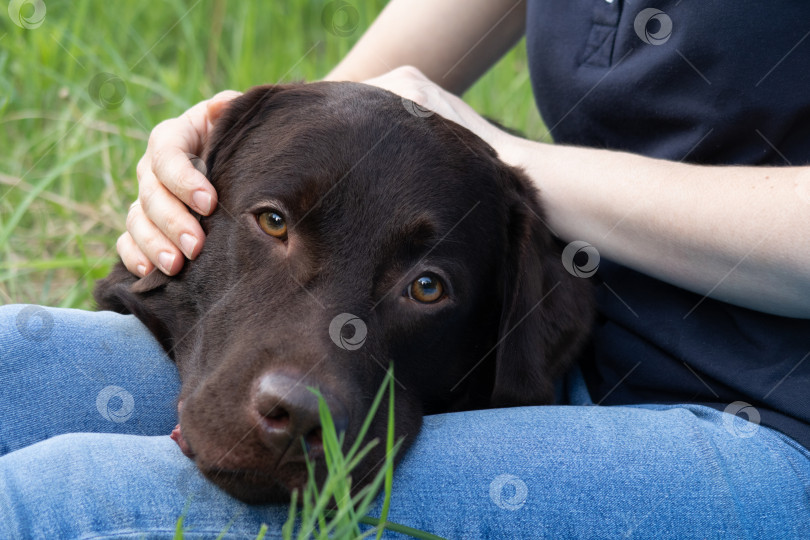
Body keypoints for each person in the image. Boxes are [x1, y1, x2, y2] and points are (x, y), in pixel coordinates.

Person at [2, 1, 809, 537]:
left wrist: (517, 170)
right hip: (583, 356)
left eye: (424, 286)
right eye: (275, 227)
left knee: (63, 500)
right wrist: (228, 139)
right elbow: (366, 105)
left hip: (770, 429)